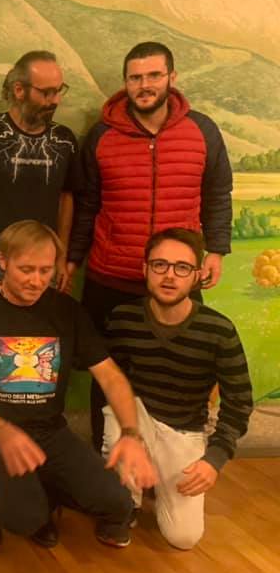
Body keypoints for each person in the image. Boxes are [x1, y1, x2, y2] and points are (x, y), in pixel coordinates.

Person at [67, 42, 233, 450]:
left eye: (154, 75)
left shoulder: (202, 131)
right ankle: (108, 461)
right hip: (111, 277)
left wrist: (216, 250)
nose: (144, 85)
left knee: (181, 370)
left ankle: (173, 458)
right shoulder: (101, 136)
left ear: (171, 78)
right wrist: (72, 260)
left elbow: (217, 194)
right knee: (107, 372)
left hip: (178, 276)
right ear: (125, 83)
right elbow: (88, 205)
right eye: (135, 78)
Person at [0, 220, 156, 549]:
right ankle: (32, 500)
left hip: (50, 432)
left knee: (119, 503)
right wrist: (0, 430)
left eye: (45, 271)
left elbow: (110, 375)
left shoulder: (67, 311)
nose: (36, 281)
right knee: (27, 518)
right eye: (26, 270)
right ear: (3, 261)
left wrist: (132, 434)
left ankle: (48, 486)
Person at [104, 228, 253, 550]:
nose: (169, 276)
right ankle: (125, 502)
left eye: (182, 267)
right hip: (136, 420)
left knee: (183, 538)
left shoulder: (219, 330)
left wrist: (214, 459)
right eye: (160, 265)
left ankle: (158, 481)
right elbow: (111, 381)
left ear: (197, 276)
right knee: (115, 415)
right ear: (145, 269)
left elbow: (239, 403)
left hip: (183, 430)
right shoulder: (123, 319)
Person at [0, 51, 80, 293]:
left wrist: (61, 255)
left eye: (59, 90)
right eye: (46, 92)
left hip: (42, 265)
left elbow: (66, 198)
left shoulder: (65, 140)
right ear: (19, 90)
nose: (55, 100)